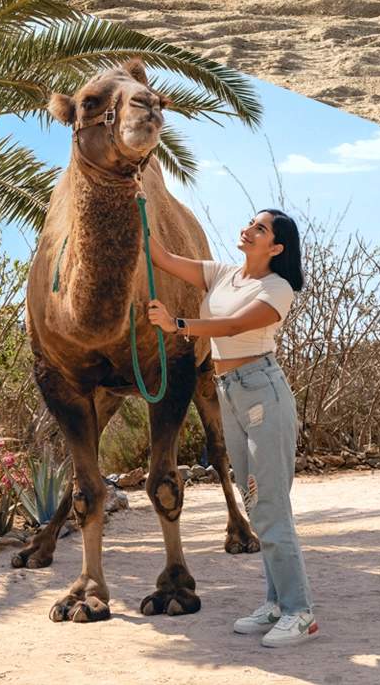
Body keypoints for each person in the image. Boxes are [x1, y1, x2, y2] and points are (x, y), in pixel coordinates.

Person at [146, 209, 317, 647]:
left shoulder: (277, 288)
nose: (248, 229)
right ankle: (276, 603)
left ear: (275, 248)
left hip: (263, 392)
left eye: (260, 229)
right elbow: (160, 256)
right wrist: (139, 202)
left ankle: (300, 613)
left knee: (272, 507)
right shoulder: (223, 274)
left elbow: (238, 325)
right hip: (230, 392)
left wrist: (177, 325)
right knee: (256, 501)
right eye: (250, 223)